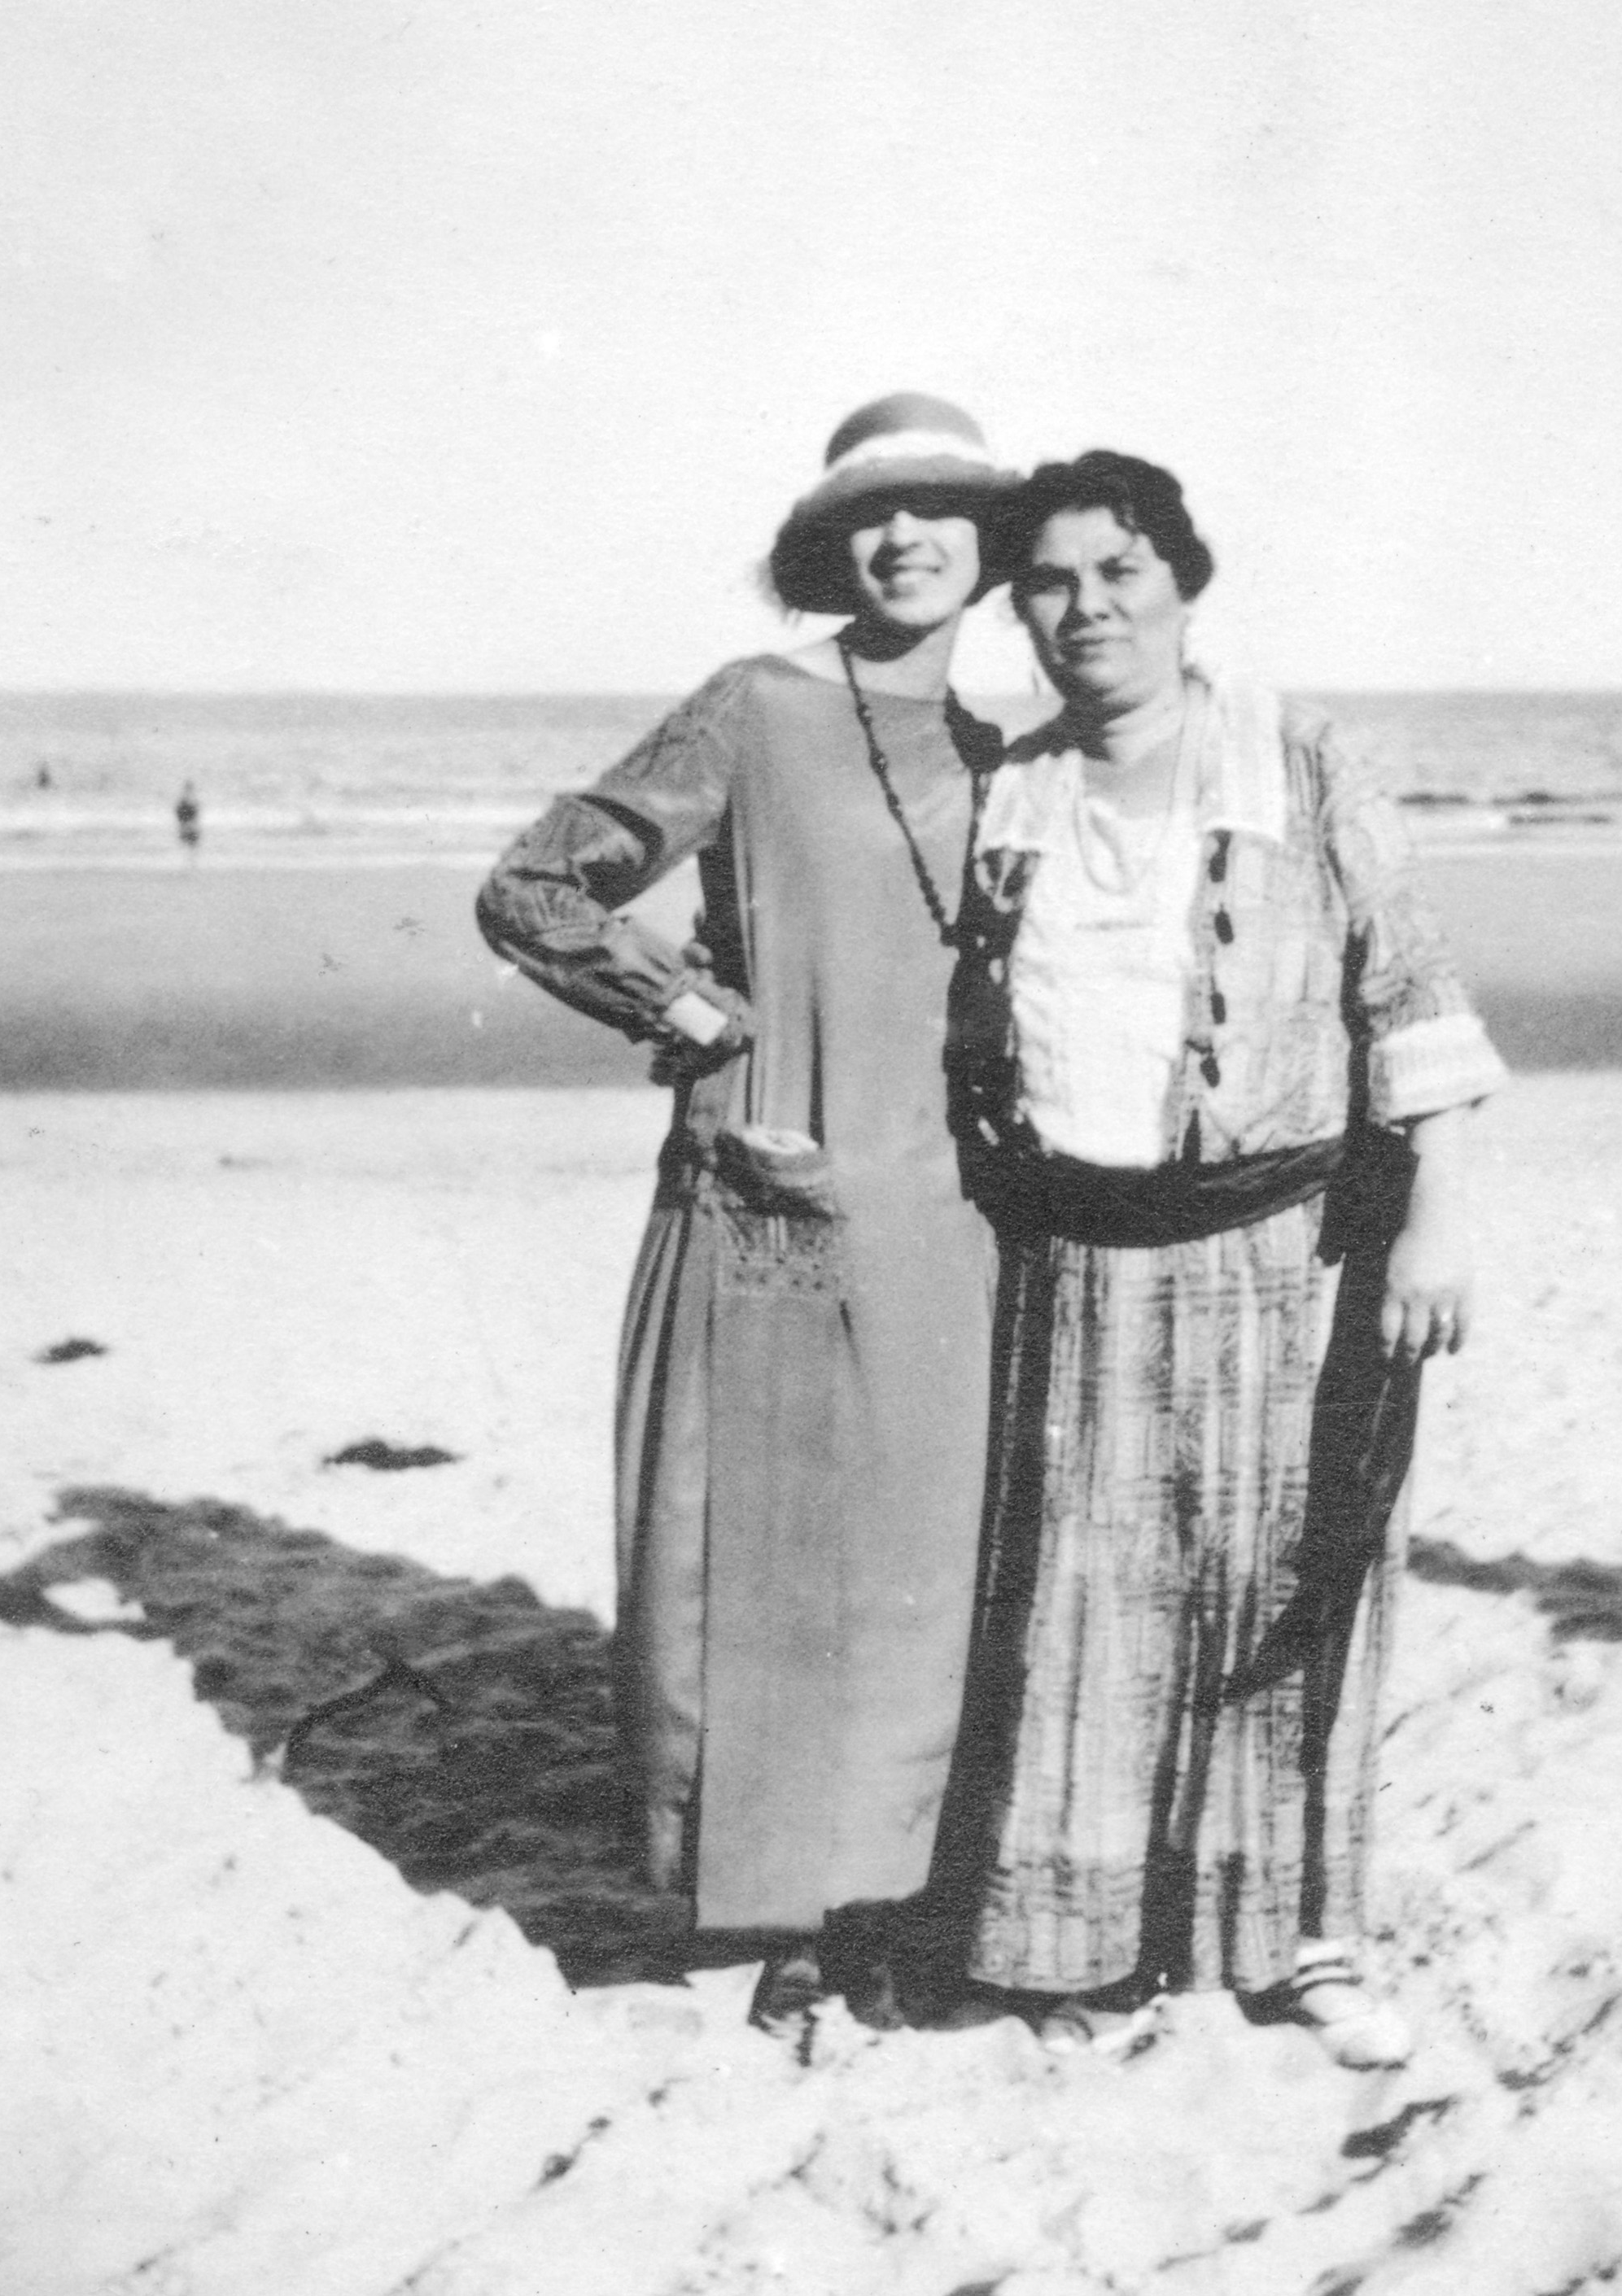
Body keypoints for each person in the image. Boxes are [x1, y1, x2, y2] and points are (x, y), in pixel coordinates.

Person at [942, 450, 1507, 2067]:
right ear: (1022, 610)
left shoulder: (1299, 758)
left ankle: (1304, 1943)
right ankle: (1079, 1943)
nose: (1085, 606)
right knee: (1091, 1597)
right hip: (1076, 1256)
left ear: (1181, 584)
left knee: (1289, 1590)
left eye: (1119, 570)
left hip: (1294, 1247)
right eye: (1048, 579)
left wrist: (1435, 1214)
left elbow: (1407, 984)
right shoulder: (1016, 789)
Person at [476, 395, 1016, 2032]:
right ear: (827, 546)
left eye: (939, 507)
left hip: (955, 1209)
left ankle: (896, 1899)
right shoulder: (757, 705)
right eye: (872, 513)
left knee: (924, 1560)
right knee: (774, 1553)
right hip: (773, 1176)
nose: (906, 536)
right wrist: (681, 1007)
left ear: (992, 545)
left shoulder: (1012, 755)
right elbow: (533, 884)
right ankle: (786, 1912)